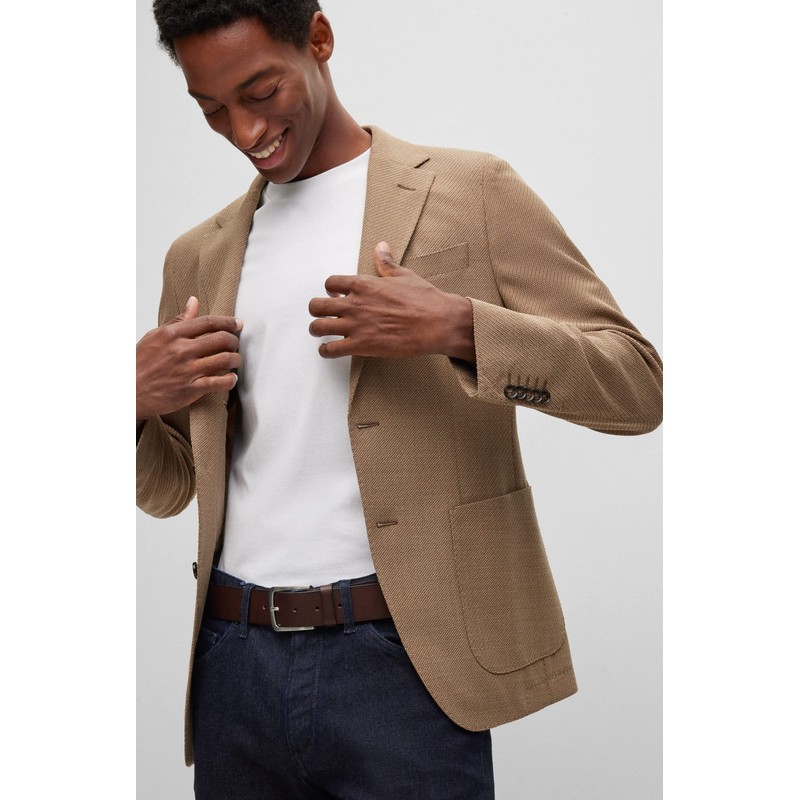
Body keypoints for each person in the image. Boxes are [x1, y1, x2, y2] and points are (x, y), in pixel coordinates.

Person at [136, 1, 663, 796]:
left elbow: (637, 383)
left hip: (405, 660)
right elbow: (171, 488)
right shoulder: (197, 258)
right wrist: (132, 405)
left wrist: (459, 327)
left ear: (319, 39)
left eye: (261, 92)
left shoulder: (472, 191)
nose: (245, 131)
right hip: (234, 661)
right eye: (212, 109)